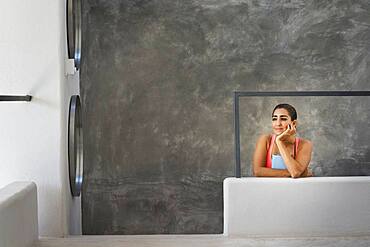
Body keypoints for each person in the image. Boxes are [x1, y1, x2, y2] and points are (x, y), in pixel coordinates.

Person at [253, 103, 313, 178]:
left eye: (283, 119)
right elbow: (257, 171)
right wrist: (296, 173)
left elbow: (295, 173)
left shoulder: (305, 144)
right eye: (274, 119)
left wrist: (279, 142)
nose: (278, 123)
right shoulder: (265, 140)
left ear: (293, 123)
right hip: (269, 188)